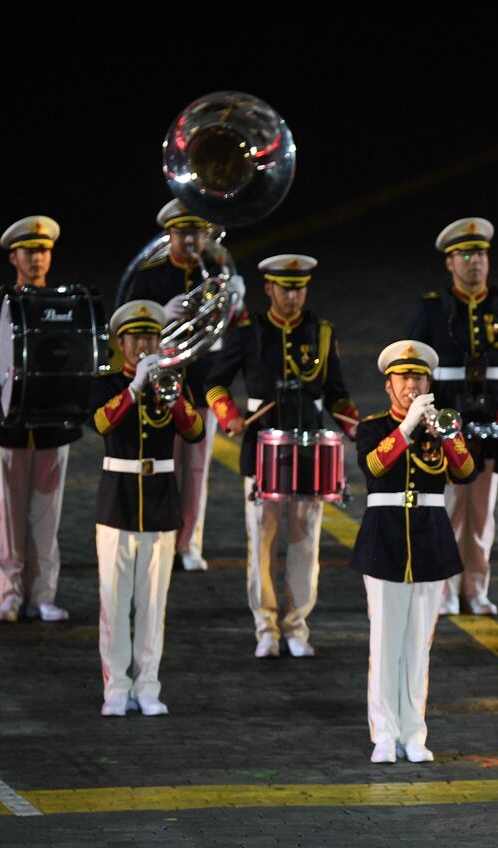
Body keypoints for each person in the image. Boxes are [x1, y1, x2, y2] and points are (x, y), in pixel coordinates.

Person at [206, 254, 359, 658]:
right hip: (263, 446)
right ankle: (266, 626)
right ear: (269, 289)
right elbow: (215, 383)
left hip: (311, 447)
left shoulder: (320, 332)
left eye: (299, 288)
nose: (292, 297)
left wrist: (354, 425)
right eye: (285, 288)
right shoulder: (248, 331)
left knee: (305, 538)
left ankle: (296, 625)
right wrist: (230, 417)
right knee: (263, 538)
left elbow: (337, 392)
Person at [407, 217, 498, 615]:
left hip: (489, 421)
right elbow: (414, 364)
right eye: (465, 255)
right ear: (450, 263)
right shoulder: (432, 309)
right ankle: (445, 591)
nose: (474, 262)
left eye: (480, 253)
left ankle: (476, 589)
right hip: (444, 425)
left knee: (482, 513)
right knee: (448, 509)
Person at [352, 340, 477, 763]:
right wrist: (405, 429)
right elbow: (372, 466)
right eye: (404, 378)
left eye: (419, 377)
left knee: (419, 645)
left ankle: (414, 733)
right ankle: (383, 733)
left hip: (429, 538)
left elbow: (465, 471)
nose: (412, 385)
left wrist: (445, 434)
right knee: (385, 643)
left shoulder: (442, 425)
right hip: (385, 539)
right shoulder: (372, 426)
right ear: (389, 385)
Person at [121, 198, 250, 572]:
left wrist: (237, 303)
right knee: (162, 464)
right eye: (182, 232)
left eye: (197, 232)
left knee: (196, 470)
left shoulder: (216, 273)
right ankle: (160, 537)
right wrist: (162, 316)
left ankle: (188, 543)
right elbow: (129, 331)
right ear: (170, 233)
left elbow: (234, 330)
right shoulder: (151, 276)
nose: (190, 240)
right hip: (161, 384)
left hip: (202, 381)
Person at [0, 215, 77, 623]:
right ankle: (9, 594)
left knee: (47, 517)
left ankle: (43, 595)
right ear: (14, 257)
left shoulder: (63, 303)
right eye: (29, 252)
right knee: (9, 516)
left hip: (51, 425)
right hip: (7, 424)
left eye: (43, 251)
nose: (37, 259)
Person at [91, 301, 205, 716]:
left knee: (154, 603)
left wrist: (168, 394)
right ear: (120, 343)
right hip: (118, 498)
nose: (144, 345)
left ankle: (148, 685)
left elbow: (194, 431)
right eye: (136, 337)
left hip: (160, 499)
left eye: (151, 337)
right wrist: (134, 388)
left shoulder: (174, 381)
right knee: (116, 602)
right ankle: (116, 686)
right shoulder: (107, 384)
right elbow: (101, 423)